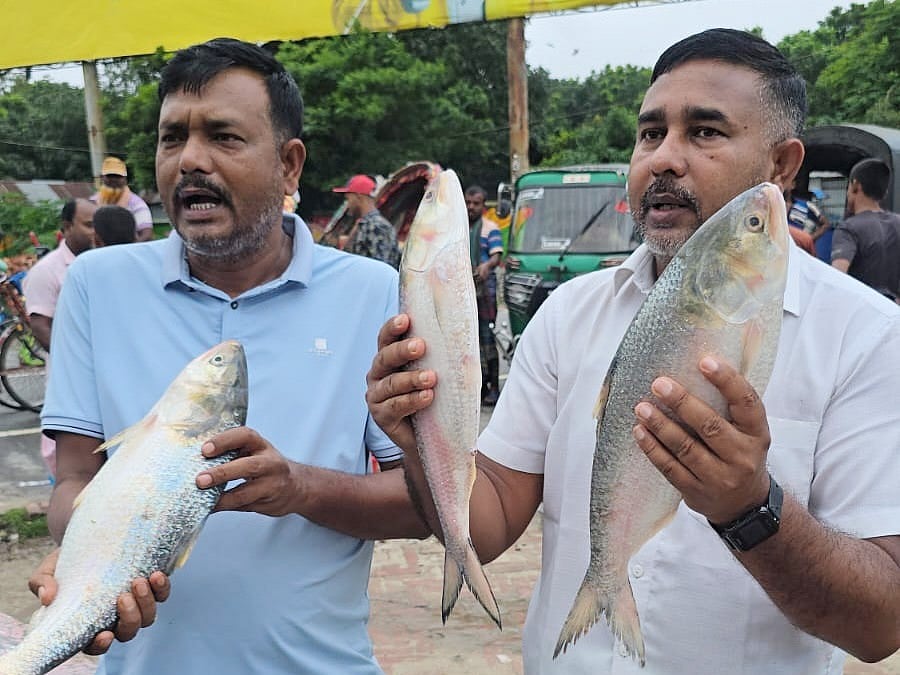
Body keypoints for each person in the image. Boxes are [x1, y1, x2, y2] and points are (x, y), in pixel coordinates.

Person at [366, 28, 900, 674]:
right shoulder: (570, 312)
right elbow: (491, 518)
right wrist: (422, 436)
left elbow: (881, 622)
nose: (664, 158)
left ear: (781, 166)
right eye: (650, 134)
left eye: (705, 132)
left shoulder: (866, 334)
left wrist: (751, 507)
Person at [29, 38, 428, 675]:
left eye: (223, 137)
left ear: (289, 165)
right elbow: (74, 478)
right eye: (171, 138)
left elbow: (420, 504)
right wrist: (86, 554)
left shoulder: (372, 293)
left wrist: (300, 487)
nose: (190, 160)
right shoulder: (97, 286)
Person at [21, 198, 97, 477]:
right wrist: (79, 363)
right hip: (72, 381)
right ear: (67, 227)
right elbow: (41, 325)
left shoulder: (104, 263)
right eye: (88, 225)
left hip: (105, 377)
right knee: (71, 466)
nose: (95, 231)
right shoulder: (47, 270)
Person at [831, 158, 900, 301]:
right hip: (893, 311)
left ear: (855, 185)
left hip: (860, 311)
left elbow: (837, 277)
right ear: (885, 192)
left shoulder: (848, 229)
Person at [465, 184, 504, 406]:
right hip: (464, 292)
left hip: (484, 292)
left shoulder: (490, 228)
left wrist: (486, 266)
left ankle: (494, 388)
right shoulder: (459, 228)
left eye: (476, 203)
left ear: (483, 205)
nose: (471, 207)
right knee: (468, 342)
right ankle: (478, 388)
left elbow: (497, 256)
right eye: (468, 203)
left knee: (487, 339)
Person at [332, 173, 401, 268]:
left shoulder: (377, 226)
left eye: (348, 199)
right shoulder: (365, 224)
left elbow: (381, 268)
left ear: (359, 196)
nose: (347, 204)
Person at [92, 157, 154, 242]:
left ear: (125, 179)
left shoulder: (136, 203)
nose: (113, 179)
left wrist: (128, 248)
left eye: (118, 176)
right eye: (110, 176)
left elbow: (147, 235)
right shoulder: (93, 202)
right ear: (102, 177)